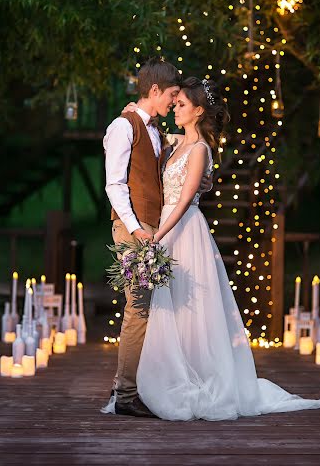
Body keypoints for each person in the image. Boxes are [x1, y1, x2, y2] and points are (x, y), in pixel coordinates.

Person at [135, 76, 320, 420]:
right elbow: (152, 131)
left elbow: (185, 200)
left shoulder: (200, 150)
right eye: (173, 103)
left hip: (183, 230)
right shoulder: (176, 143)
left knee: (192, 307)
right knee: (170, 306)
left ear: (198, 111)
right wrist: (134, 109)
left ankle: (202, 376)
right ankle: (172, 374)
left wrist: (157, 237)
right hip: (166, 228)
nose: (174, 107)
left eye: (180, 105)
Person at [101, 58, 211, 418]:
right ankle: (126, 394)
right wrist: (134, 228)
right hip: (134, 228)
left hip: (153, 229)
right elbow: (114, 184)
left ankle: (144, 386)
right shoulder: (124, 125)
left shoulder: (153, 130)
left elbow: (189, 144)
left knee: (151, 308)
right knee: (139, 307)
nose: (173, 103)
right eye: (172, 96)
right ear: (154, 91)